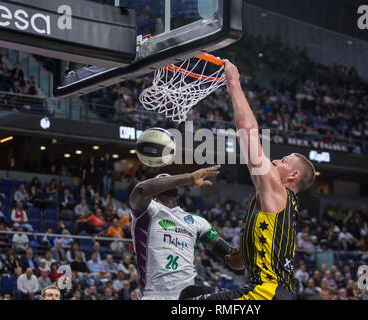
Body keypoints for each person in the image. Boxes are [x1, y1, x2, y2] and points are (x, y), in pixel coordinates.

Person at [181, 60, 315, 300]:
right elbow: (267, 248)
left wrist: (233, 82)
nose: (275, 161)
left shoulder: (280, 192)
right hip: (276, 293)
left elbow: (249, 133)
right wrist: (242, 257)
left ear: (293, 176)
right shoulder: (271, 202)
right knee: (193, 294)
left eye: (283, 161)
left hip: (266, 294)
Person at [129, 168, 235, 300]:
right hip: (155, 295)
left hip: (189, 296)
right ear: (153, 194)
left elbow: (232, 257)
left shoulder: (197, 220)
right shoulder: (146, 212)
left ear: (178, 195)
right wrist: (188, 178)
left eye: (168, 181)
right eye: (162, 182)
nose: (166, 182)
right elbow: (140, 190)